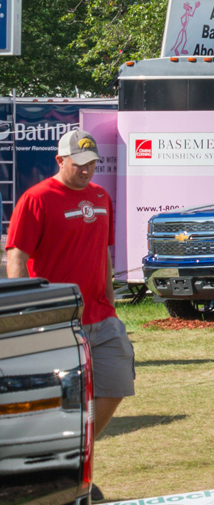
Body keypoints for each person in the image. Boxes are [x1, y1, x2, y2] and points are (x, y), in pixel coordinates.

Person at [4, 131, 130, 439]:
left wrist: (111, 302)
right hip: (58, 318)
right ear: (60, 160)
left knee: (117, 385)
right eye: (79, 164)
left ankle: (79, 447)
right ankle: (68, 450)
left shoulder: (101, 197)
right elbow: (17, 255)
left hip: (102, 316)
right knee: (61, 398)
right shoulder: (37, 198)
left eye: (92, 163)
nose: (86, 170)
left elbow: (103, 253)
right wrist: (25, 314)